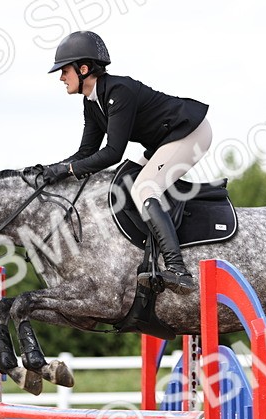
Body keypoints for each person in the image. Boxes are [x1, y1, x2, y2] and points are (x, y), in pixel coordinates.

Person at [46, 30, 211, 295]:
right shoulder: (93, 102)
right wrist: (52, 170)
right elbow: (86, 152)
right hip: (165, 139)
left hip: (190, 132)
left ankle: (178, 269)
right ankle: (152, 251)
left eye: (64, 71)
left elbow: (112, 152)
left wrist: (69, 169)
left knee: (144, 187)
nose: (61, 78)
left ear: (84, 68)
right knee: (125, 180)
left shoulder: (118, 91)